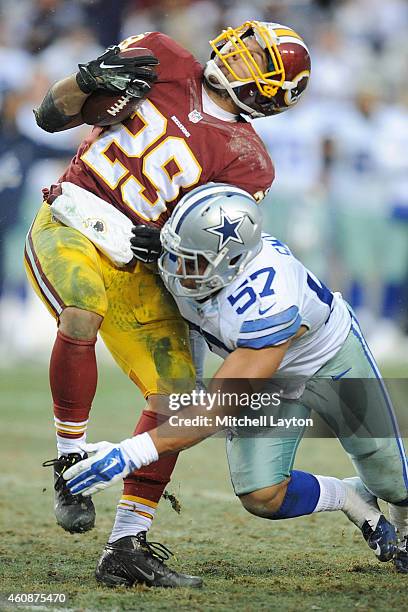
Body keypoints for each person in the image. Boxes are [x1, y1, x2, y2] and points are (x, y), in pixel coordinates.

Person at [24, 22, 311, 587]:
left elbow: (207, 251)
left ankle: (125, 544)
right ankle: (69, 459)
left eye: (257, 58)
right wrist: (85, 80)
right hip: (74, 219)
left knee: (179, 400)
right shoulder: (161, 54)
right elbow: (49, 115)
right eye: (246, 43)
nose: (236, 51)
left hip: (140, 264)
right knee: (82, 309)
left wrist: (177, 245)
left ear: (266, 93)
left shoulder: (249, 162)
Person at [65, 184, 408, 578]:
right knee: (262, 495)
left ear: (231, 263)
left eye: (190, 262)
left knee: (393, 480)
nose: (177, 269)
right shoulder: (185, 256)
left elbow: (213, 412)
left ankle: (402, 522)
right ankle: (349, 497)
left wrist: (128, 454)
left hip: (327, 357)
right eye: (176, 253)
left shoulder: (269, 302)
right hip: (263, 371)